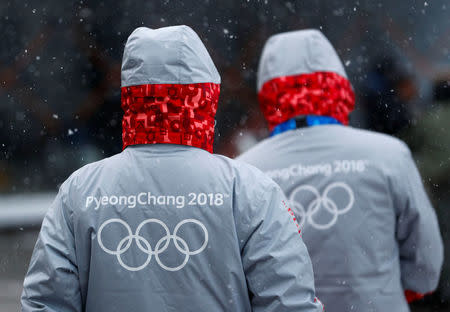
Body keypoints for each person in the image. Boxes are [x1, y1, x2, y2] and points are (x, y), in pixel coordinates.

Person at [21, 25, 323, 312]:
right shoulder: (247, 187)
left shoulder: (80, 190)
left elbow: (46, 303)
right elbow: (289, 301)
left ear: (131, 99)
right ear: (206, 98)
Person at [237, 29, 443, 312]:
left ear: (268, 95)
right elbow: (425, 250)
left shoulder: (245, 170)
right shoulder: (387, 154)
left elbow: (236, 271)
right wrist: (400, 288)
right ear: (340, 87)